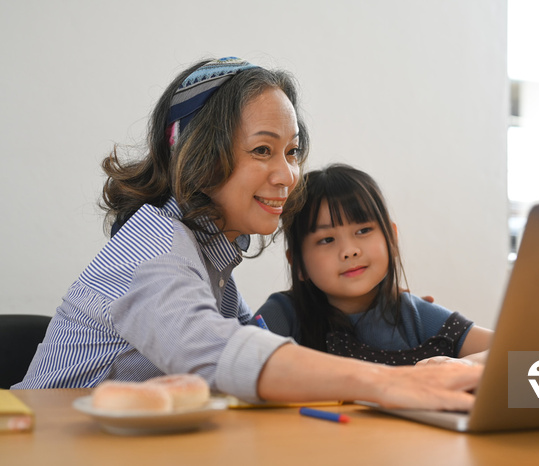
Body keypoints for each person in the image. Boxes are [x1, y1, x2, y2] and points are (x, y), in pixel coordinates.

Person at [13, 56, 481, 411]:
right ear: (199, 155)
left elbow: (259, 345)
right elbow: (222, 355)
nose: (288, 175)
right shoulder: (154, 248)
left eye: (293, 151)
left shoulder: (213, 258)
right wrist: (394, 382)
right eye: (263, 150)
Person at [253, 164, 492, 366]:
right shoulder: (283, 314)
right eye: (326, 240)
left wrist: (462, 365)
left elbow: (519, 355)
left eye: (363, 230)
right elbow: (237, 369)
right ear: (298, 264)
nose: (349, 251)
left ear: (392, 239)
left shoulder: (414, 315)